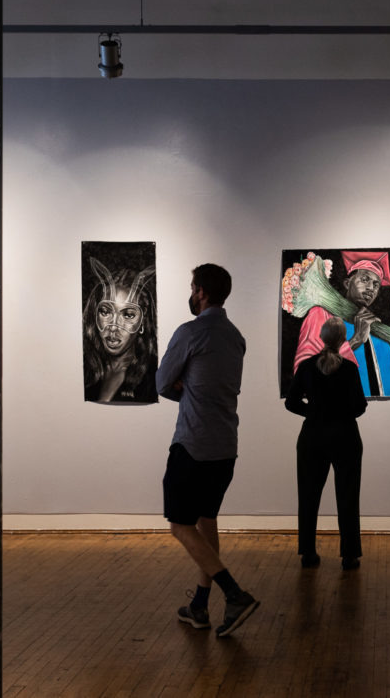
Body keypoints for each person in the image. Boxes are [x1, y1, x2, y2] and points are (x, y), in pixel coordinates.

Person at [155, 263, 258, 637]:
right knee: (206, 520)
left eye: (192, 287)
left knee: (181, 526)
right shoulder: (236, 337)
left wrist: (183, 387)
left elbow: (161, 382)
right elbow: (218, 385)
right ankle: (199, 605)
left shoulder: (191, 332)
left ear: (201, 291)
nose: (191, 293)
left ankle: (234, 594)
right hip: (225, 447)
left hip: (193, 444)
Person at [286, 316, 369, 571]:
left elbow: (291, 402)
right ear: (343, 339)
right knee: (348, 496)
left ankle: (308, 553)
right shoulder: (349, 369)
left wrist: (314, 413)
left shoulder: (306, 367)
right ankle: (349, 555)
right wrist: (340, 414)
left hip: (312, 437)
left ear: (321, 337)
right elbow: (359, 406)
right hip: (345, 437)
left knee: (308, 496)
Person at [294, 250, 390, 398]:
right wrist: (355, 340)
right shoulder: (322, 314)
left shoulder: (380, 330)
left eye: (376, 285)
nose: (371, 287)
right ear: (347, 283)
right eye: (364, 279)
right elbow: (303, 372)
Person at [83, 258, 158, 403]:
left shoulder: (153, 376)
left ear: (142, 323)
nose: (113, 326)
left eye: (128, 315)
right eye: (105, 312)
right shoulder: (86, 368)